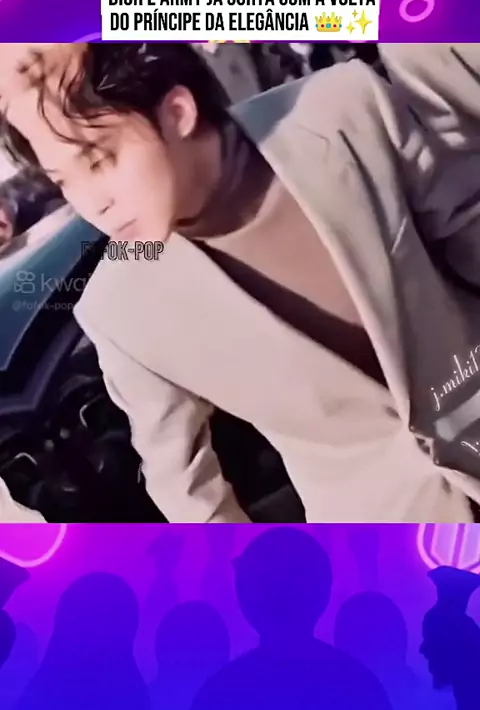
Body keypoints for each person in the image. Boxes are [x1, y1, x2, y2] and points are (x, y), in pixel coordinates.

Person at [2, 42, 480, 523]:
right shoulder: (116, 308)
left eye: (99, 160)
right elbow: (185, 488)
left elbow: (468, 239)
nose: (93, 203)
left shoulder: (341, 110)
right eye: (64, 181)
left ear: (178, 112)